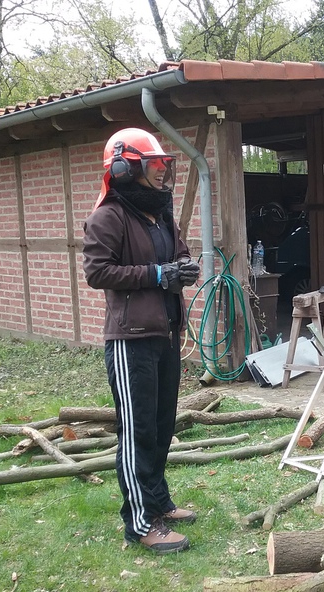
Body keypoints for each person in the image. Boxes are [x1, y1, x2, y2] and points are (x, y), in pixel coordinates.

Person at [82, 128, 200, 554]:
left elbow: (179, 251)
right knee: (138, 431)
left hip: (165, 334)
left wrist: (183, 267)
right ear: (124, 168)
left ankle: (159, 501)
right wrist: (156, 274)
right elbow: (97, 272)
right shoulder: (108, 217)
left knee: (162, 425)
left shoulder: (160, 213)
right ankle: (140, 522)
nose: (162, 171)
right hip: (130, 341)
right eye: (153, 164)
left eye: (163, 164)